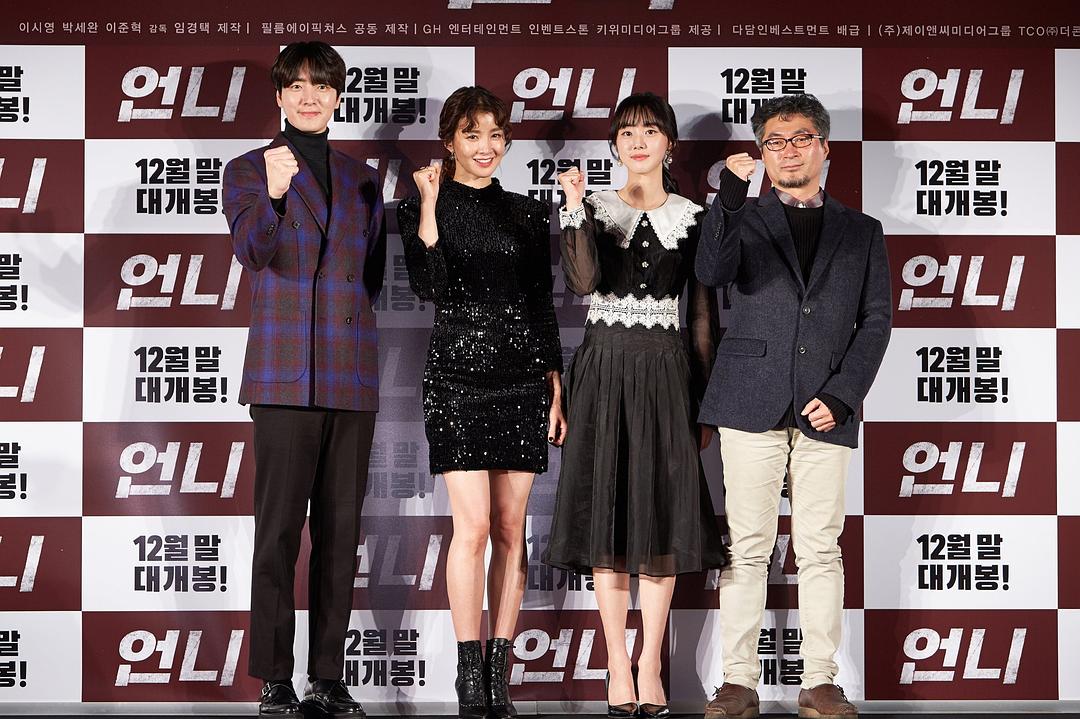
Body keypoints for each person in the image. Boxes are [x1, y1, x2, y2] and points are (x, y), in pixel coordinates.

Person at [696, 94, 891, 719]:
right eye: (775, 142)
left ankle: (820, 681)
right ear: (762, 152)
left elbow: (876, 321)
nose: (789, 151)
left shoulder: (863, 231)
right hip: (749, 398)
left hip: (826, 406)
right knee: (747, 547)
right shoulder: (741, 215)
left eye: (801, 138)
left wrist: (843, 394)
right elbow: (712, 270)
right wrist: (731, 195)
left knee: (821, 548)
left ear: (824, 147)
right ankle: (737, 682)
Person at [543, 92, 729, 719]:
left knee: (662, 515)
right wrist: (574, 208)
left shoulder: (694, 217)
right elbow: (582, 283)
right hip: (602, 371)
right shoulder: (592, 208)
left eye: (651, 130)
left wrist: (704, 402)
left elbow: (701, 318)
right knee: (607, 515)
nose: (639, 141)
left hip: (667, 373)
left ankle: (650, 663)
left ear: (669, 144)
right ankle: (617, 666)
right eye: (627, 132)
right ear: (615, 146)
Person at [222, 41, 386, 718]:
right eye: (297, 86)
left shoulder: (363, 178)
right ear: (280, 96)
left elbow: (371, 275)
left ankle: (328, 677)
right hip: (283, 374)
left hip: (349, 372)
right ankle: (273, 677)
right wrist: (275, 192)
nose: (310, 96)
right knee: (278, 534)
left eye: (322, 86)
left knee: (340, 537)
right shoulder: (247, 169)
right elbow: (253, 250)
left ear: (338, 97)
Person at [396, 85, 566, 719]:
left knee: (511, 529)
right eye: (472, 135)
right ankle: (469, 679)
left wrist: (555, 384)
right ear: (450, 142)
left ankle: (500, 674)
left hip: (523, 379)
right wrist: (430, 203)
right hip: (457, 379)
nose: (486, 146)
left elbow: (542, 303)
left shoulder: (528, 213)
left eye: (496, 134)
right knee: (470, 528)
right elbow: (429, 285)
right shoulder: (420, 205)